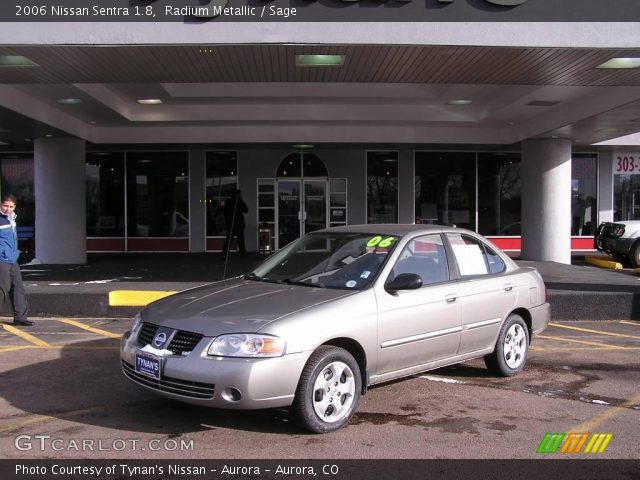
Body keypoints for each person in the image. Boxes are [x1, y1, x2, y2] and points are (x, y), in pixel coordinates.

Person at [0, 194, 31, 326]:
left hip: (12, 258)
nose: (8, 209)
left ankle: (20, 318)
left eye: (11, 206)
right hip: (1, 258)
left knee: (18, 288)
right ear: (0, 205)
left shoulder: (12, 218)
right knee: (3, 288)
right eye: (5, 206)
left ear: (15, 207)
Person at [222, 189, 248, 255]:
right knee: (240, 240)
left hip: (232, 224)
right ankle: (242, 253)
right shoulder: (238, 202)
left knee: (230, 240)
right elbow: (246, 210)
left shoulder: (229, 202)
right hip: (237, 224)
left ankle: (224, 253)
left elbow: (245, 210)